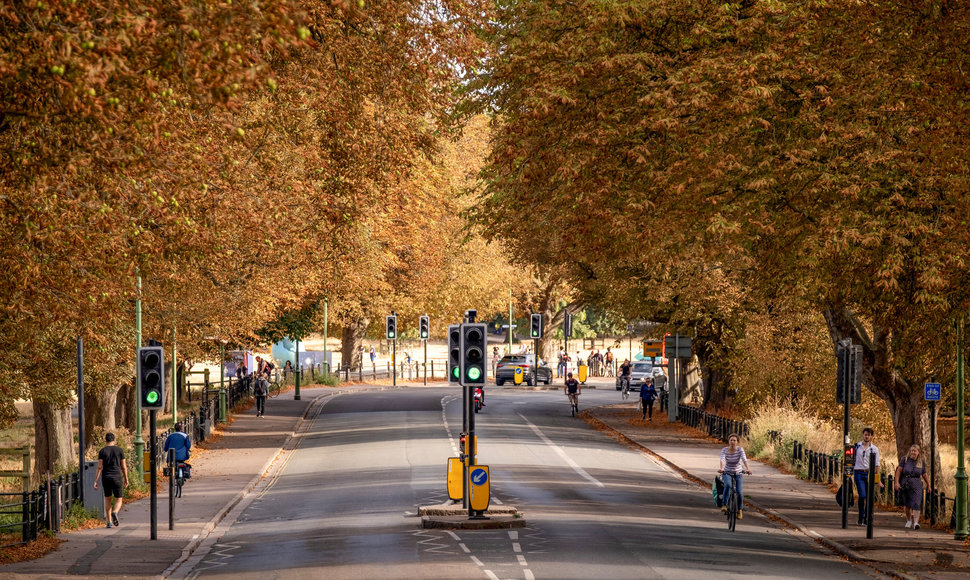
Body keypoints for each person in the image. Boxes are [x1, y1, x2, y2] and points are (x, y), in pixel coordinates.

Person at [93, 433, 128, 528]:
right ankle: (115, 512)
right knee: (119, 499)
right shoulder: (119, 450)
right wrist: (126, 479)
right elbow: (123, 467)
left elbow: (100, 467)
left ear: (106, 441)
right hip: (117, 476)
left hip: (106, 477)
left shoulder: (102, 451)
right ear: (114, 440)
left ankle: (109, 522)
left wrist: (96, 480)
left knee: (107, 498)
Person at [853, 426, 884, 525]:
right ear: (863, 435)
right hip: (858, 472)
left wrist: (877, 479)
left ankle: (867, 517)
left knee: (869, 497)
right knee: (862, 495)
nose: (867, 436)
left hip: (869, 473)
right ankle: (861, 516)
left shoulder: (874, 449)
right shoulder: (857, 446)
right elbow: (850, 459)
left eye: (869, 435)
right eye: (865, 434)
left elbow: (877, 464)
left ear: (871, 437)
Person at [895, 443, 930, 529]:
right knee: (907, 505)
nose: (912, 452)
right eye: (911, 451)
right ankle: (908, 520)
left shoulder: (921, 462)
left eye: (914, 451)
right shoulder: (905, 459)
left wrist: (929, 485)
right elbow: (899, 471)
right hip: (906, 484)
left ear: (918, 452)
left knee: (916, 504)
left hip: (917, 485)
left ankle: (916, 523)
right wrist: (896, 482)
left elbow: (924, 475)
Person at [718, 433, 751, 519]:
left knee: (739, 492)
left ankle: (739, 510)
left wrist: (748, 469)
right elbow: (722, 459)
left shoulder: (740, 450)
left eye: (734, 440)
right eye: (731, 440)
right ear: (728, 441)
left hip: (738, 473)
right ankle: (724, 505)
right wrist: (721, 468)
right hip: (727, 472)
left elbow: (744, 459)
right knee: (728, 485)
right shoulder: (724, 450)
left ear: (737, 442)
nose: (732, 442)